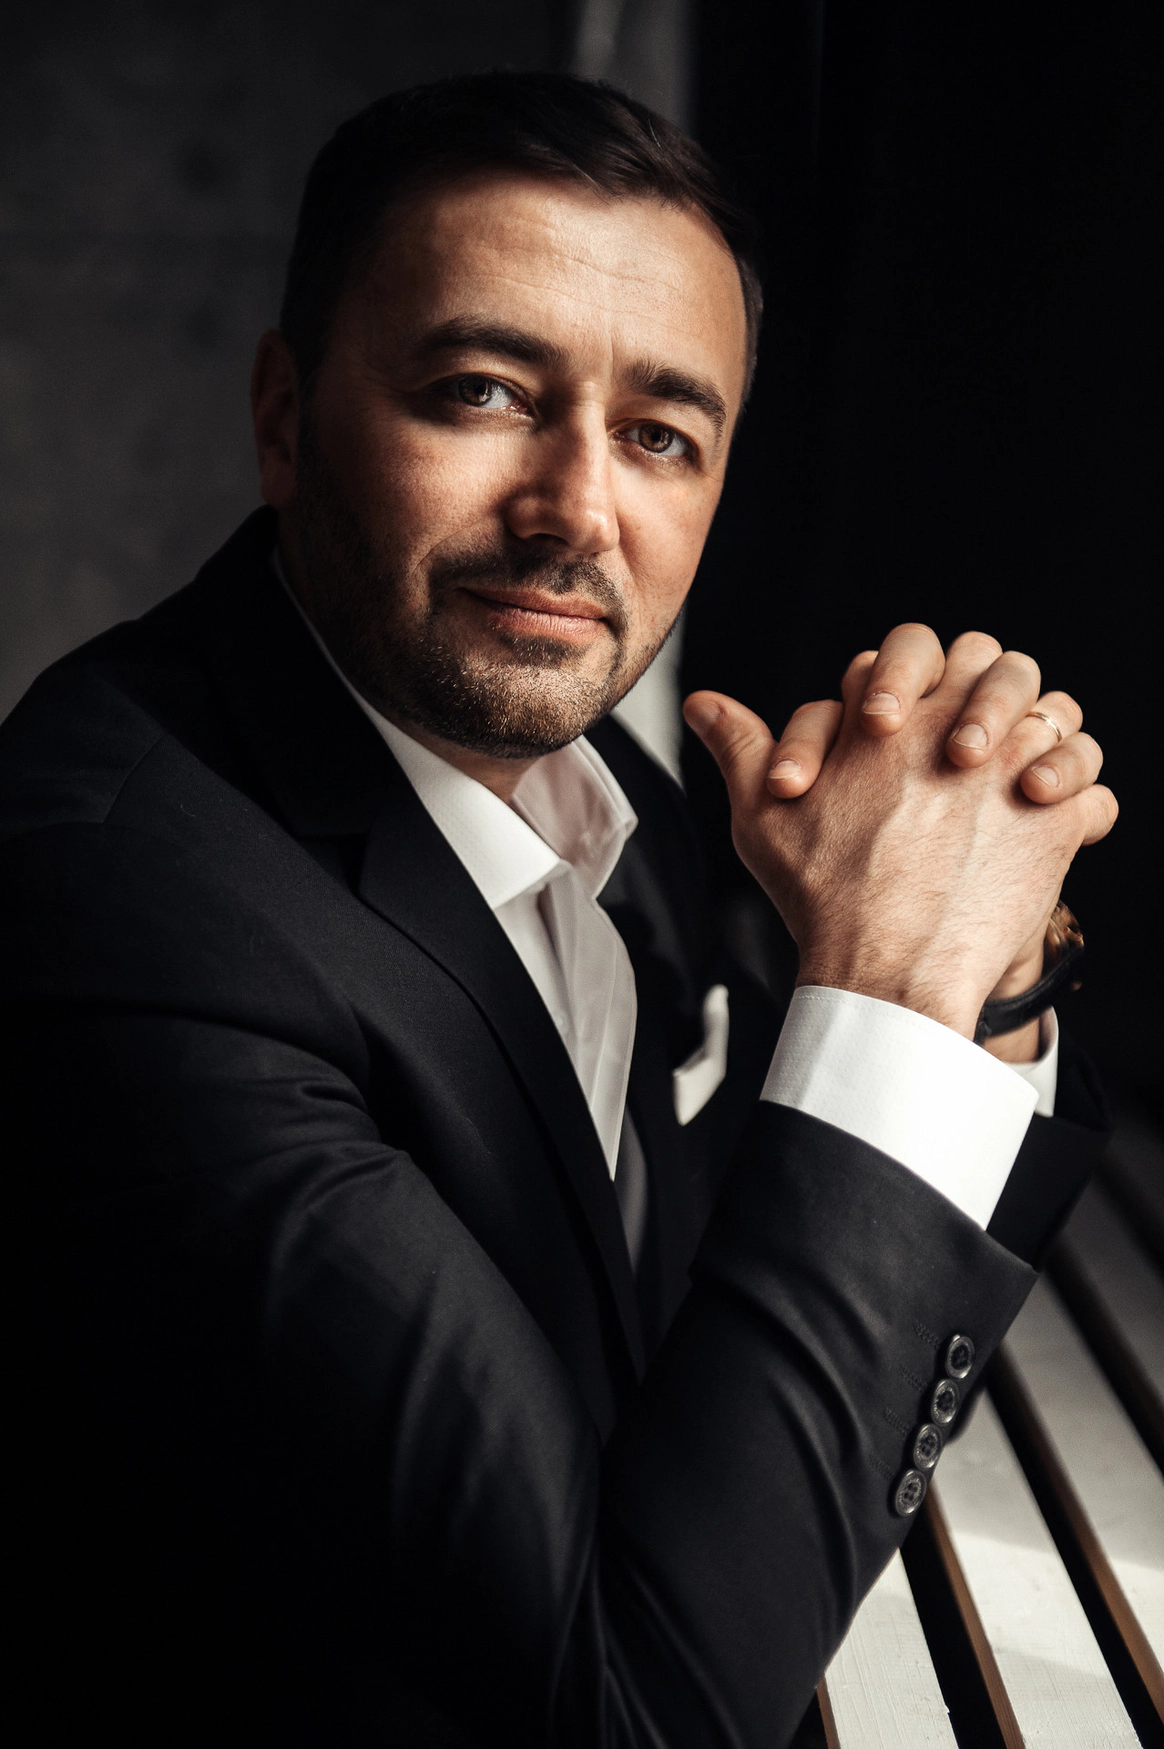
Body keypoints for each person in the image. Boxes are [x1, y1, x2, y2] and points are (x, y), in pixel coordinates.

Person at [2, 72, 1116, 1749]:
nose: (577, 513)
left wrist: (984, 971)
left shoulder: (607, 796)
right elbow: (634, 1711)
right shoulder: (117, 905)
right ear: (287, 419)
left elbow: (693, 1342)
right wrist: (887, 990)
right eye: (481, 392)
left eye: (661, 434)